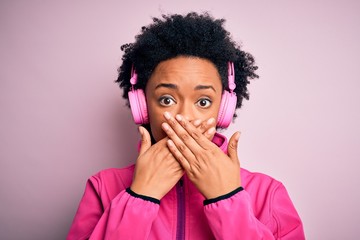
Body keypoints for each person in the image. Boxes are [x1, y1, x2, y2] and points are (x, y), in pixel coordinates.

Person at [67, 12, 305, 239]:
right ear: (142, 106)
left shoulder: (268, 193)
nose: (184, 117)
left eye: (203, 101)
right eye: (167, 100)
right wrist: (140, 197)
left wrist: (227, 199)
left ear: (224, 110)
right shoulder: (102, 188)